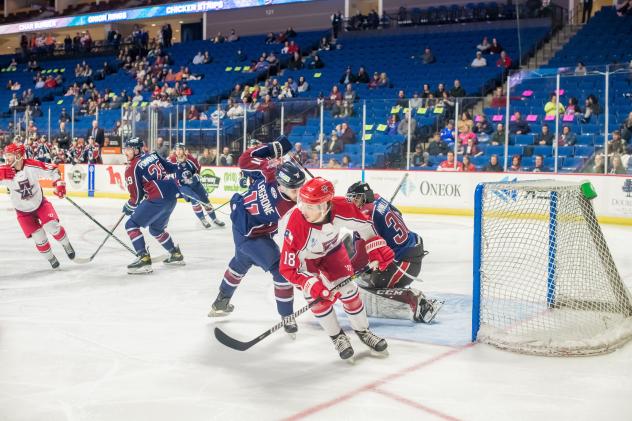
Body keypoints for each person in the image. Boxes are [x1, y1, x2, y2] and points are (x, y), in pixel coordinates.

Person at [279, 177, 392, 360]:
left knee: (348, 290)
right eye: (303, 203)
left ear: (324, 206)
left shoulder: (343, 206)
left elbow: (365, 226)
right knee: (318, 299)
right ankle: (337, 336)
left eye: (310, 206)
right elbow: (287, 268)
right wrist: (311, 285)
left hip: (333, 251)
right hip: (306, 261)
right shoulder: (295, 225)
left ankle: (363, 332)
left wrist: (375, 249)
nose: (303, 209)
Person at [208, 137, 305, 339]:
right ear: (282, 184)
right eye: (295, 189)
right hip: (251, 235)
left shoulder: (270, 174)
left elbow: (245, 161)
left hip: (243, 224)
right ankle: (287, 316)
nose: (299, 193)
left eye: (300, 188)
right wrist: (274, 149)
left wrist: (273, 152)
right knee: (282, 272)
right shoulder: (285, 206)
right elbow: (244, 160)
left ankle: (221, 301)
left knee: (240, 262)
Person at [344, 182, 443, 323]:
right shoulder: (379, 199)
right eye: (350, 199)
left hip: (404, 262)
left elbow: (360, 259)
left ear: (364, 197)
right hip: (411, 250)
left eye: (355, 199)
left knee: (368, 284)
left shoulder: (364, 216)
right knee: (364, 270)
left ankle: (417, 301)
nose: (352, 203)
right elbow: (398, 213)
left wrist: (341, 277)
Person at [0, 143, 74, 269]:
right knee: (39, 237)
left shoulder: (31, 165)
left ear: (18, 155)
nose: (7, 158)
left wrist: (59, 183)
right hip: (22, 212)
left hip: (40, 204)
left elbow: (53, 169)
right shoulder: (4, 172)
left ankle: (66, 244)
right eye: (6, 155)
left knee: (52, 226)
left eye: (10, 155)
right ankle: (51, 258)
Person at [122, 137, 185, 274]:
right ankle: (175, 254)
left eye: (128, 149)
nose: (125, 152)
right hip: (171, 196)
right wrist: (183, 172)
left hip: (157, 198)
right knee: (156, 229)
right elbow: (171, 168)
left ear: (136, 149)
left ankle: (144, 259)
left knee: (131, 225)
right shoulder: (153, 154)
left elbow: (136, 196)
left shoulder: (132, 167)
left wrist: (129, 205)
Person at [169, 143, 225, 229]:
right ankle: (203, 219)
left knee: (205, 201)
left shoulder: (190, 159)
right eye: (176, 150)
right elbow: (166, 172)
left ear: (184, 150)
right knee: (195, 199)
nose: (178, 151)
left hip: (195, 183)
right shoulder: (171, 160)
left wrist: (195, 176)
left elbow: (198, 169)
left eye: (180, 149)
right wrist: (177, 180)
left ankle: (214, 219)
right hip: (183, 186)